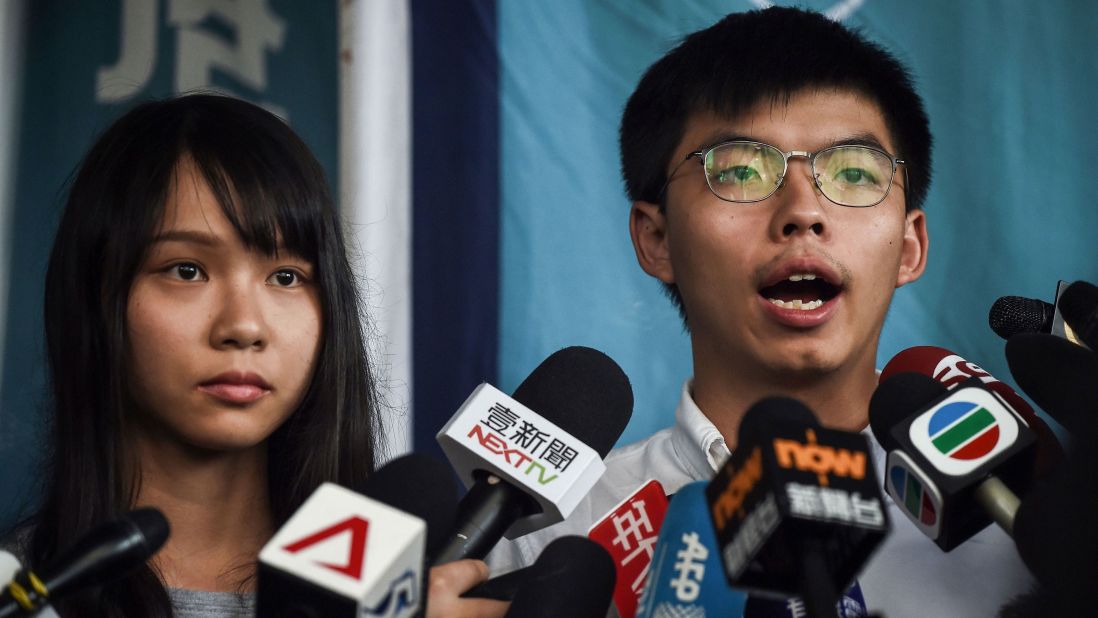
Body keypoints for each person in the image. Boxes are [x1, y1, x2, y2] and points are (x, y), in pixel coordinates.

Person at [489, 7, 1034, 616]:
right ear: (656, 238)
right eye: (742, 171)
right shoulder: (549, 544)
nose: (803, 210)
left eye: (854, 172)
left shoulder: (1027, 523)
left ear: (910, 246)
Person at [3, 94, 506, 617]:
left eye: (286, 277)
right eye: (186, 270)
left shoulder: (426, 592)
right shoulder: (23, 594)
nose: (244, 326)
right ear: (95, 296)